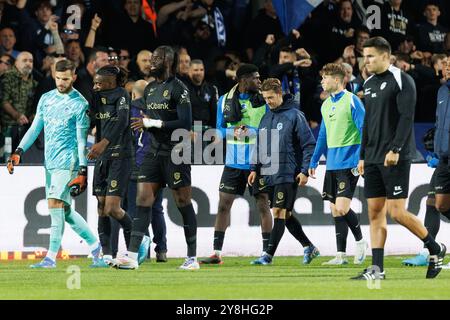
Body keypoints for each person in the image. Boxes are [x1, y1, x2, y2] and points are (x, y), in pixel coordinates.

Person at [352, 36, 446, 280]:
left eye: (371, 55)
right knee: (374, 213)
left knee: (397, 212)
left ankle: (434, 247)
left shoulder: (402, 80)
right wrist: (362, 155)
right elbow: (367, 124)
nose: (366, 60)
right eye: (365, 55)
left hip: (395, 156)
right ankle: (377, 269)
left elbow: (406, 119)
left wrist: (395, 149)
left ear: (385, 56)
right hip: (372, 157)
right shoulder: (370, 82)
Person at [6, 59, 102, 268]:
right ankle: (95, 247)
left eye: (65, 79)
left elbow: (80, 140)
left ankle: (50, 257)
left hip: (68, 162)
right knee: (65, 210)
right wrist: (19, 151)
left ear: (74, 77)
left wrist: (83, 169)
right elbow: (34, 128)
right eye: (58, 78)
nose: (61, 82)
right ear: (53, 76)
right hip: (49, 161)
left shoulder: (80, 104)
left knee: (54, 205)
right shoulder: (46, 99)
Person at [114, 45, 198, 270]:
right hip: (153, 151)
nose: (152, 60)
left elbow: (185, 124)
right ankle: (132, 256)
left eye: (157, 58)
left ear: (169, 61)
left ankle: (192, 258)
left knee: (182, 202)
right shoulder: (150, 89)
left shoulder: (179, 89)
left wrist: (154, 123)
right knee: (142, 201)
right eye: (152, 57)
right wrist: (146, 125)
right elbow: (147, 120)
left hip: (176, 152)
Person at [199, 64, 273, 265]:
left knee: (263, 206)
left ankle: (267, 253)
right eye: (255, 78)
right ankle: (216, 253)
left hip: (258, 163)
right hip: (233, 163)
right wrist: (230, 133)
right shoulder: (224, 100)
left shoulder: (263, 101)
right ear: (243, 80)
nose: (259, 82)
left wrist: (251, 131)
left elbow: (272, 129)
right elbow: (220, 130)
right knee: (223, 206)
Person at [249, 78, 318, 265]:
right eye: (265, 98)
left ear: (279, 94)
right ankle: (309, 246)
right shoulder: (266, 117)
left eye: (270, 97)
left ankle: (268, 256)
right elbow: (260, 144)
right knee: (285, 215)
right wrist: (254, 168)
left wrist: (305, 170)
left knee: (278, 212)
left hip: (288, 172)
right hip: (269, 172)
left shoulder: (295, 115)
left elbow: (308, 144)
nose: (268, 101)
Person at [308, 63, 368, 265]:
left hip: (349, 160)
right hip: (332, 163)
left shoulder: (352, 101)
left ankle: (360, 242)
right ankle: (341, 255)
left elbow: (364, 129)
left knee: (342, 207)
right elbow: (323, 135)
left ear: (337, 80)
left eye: (325, 78)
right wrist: (315, 160)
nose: (322, 81)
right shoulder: (325, 105)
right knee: (335, 209)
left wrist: (363, 157)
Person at [111, 79, 168, 262]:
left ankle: (140, 252)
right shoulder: (159, 110)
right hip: (158, 163)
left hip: (136, 165)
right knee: (157, 209)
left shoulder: (128, 111)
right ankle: (162, 250)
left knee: (136, 210)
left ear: (133, 94)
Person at [402, 55, 450, 267]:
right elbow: (441, 122)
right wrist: (436, 148)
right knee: (436, 203)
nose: (446, 69)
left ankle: (428, 251)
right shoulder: (442, 91)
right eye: (445, 66)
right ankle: (430, 250)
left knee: (436, 203)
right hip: (444, 158)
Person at [87, 65, 137, 266]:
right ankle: (106, 255)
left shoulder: (122, 94)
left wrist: (103, 142)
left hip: (120, 155)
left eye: (99, 83)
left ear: (111, 82)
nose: (96, 86)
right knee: (101, 206)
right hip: (102, 157)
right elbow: (90, 118)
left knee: (112, 207)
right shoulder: (96, 97)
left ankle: (136, 246)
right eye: (94, 82)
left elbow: (122, 121)